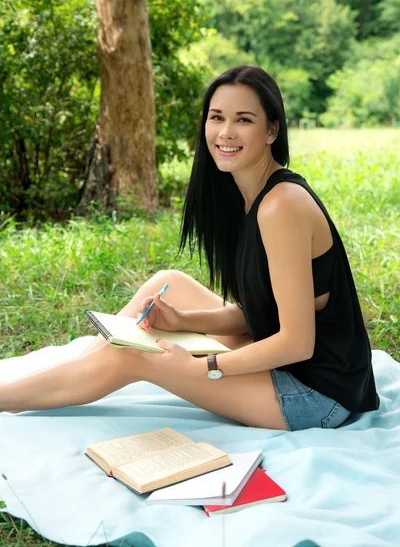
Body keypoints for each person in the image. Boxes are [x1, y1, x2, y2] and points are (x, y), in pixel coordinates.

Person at [0, 65, 379, 430]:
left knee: (136, 356)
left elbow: (296, 342)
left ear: (271, 130)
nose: (225, 132)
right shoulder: (246, 198)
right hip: (290, 365)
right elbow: (261, 312)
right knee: (167, 283)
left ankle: (13, 395)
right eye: (217, 117)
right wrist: (183, 321)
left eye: (244, 119)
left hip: (316, 397)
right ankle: (73, 376)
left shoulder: (282, 206)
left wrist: (203, 366)